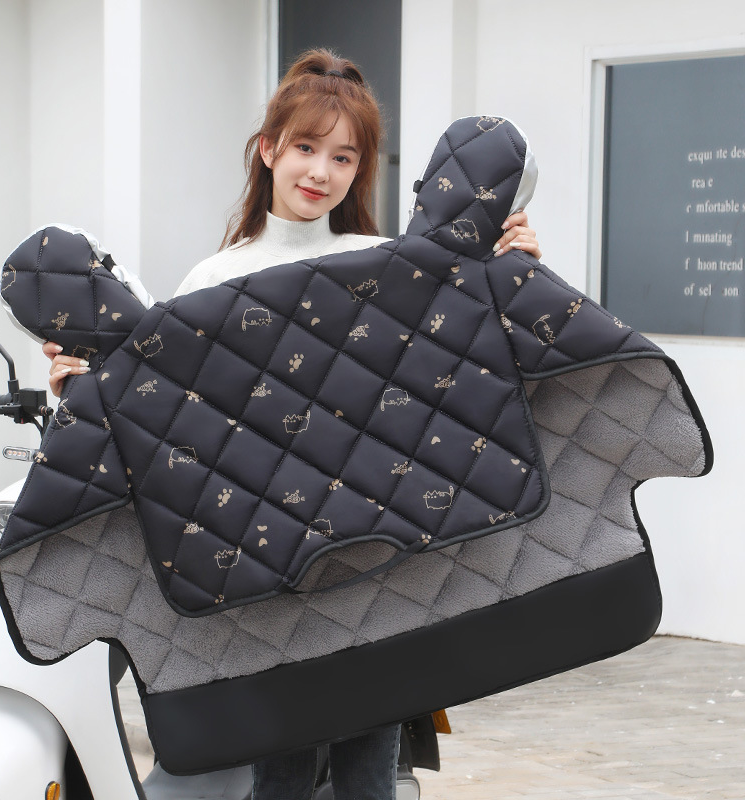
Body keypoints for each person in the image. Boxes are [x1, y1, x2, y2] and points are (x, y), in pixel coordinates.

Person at [43, 48, 541, 800]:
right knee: (278, 772)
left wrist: (517, 269)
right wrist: (74, 395)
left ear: (360, 169)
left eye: (344, 156)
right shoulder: (214, 280)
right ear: (269, 149)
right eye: (307, 147)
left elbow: (467, 370)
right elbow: (168, 423)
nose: (321, 172)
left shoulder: (386, 260)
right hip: (265, 566)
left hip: (378, 553)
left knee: (369, 771)